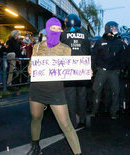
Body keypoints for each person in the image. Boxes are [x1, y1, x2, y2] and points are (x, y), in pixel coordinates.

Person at [27, 17, 82, 155]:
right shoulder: (37, 47)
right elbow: (31, 65)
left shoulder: (65, 48)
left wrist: (84, 70)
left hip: (56, 90)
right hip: (37, 89)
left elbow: (70, 69)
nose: (57, 31)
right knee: (35, 118)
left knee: (66, 124)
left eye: (59, 29)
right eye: (54, 28)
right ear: (48, 28)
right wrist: (30, 68)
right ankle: (35, 147)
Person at [61, 14, 91, 128]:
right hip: (82, 69)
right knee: (82, 95)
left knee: (70, 96)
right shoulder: (85, 35)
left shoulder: (63, 35)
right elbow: (88, 52)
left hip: (68, 70)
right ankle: (82, 118)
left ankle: (73, 121)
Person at [91, 21, 126, 119]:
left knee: (116, 92)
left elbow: (123, 58)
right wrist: (92, 68)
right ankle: (95, 111)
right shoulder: (100, 42)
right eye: (114, 28)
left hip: (114, 71)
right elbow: (93, 56)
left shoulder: (119, 43)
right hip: (101, 71)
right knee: (96, 91)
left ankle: (113, 112)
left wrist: (122, 69)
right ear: (109, 28)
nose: (116, 30)